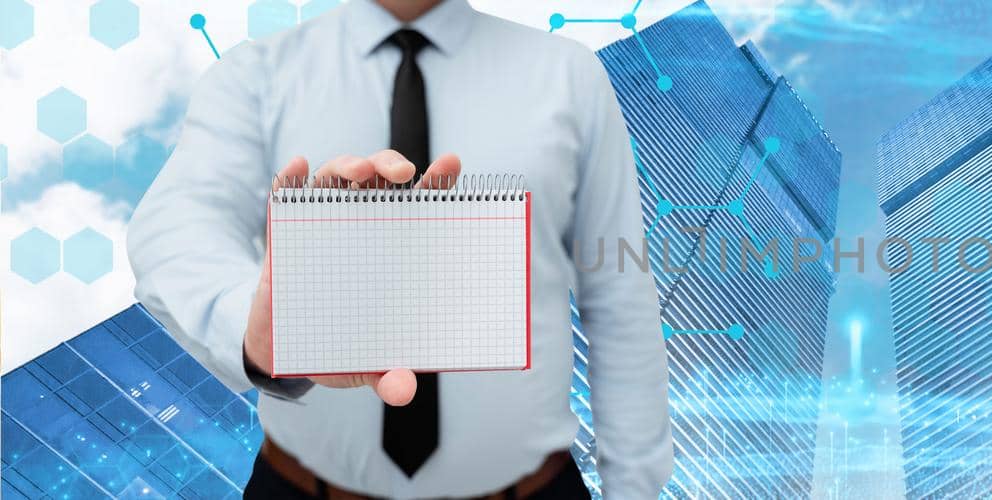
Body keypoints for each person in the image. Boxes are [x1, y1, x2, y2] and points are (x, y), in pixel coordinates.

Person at [126, 0, 671, 498]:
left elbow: (619, 292)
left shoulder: (567, 73)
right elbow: (176, 227)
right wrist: (255, 329)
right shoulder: (255, 75)